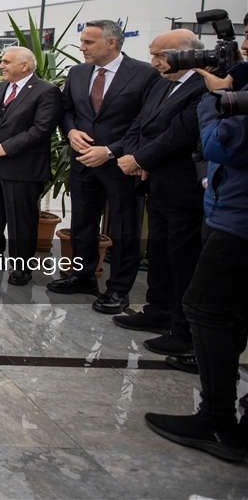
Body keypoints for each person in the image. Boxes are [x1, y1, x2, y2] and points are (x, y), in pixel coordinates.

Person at [144, 59, 248, 463]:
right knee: (233, 312)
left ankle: (217, 421)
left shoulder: (216, 95)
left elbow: (220, 144)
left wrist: (213, 98)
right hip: (228, 209)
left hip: (238, 222)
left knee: (203, 308)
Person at [48, 20, 157, 315]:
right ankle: (82, 277)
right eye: (82, 41)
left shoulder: (143, 74)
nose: (81, 47)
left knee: (124, 228)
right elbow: (66, 110)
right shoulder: (78, 72)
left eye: (88, 42)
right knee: (83, 223)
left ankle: (119, 289)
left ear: (111, 43)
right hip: (83, 163)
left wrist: (110, 151)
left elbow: (145, 121)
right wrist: (71, 132)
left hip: (122, 165)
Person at [113, 29, 207, 356]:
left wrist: (140, 159)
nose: (154, 62)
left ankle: (183, 329)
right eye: (152, 54)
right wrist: (133, 155)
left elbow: (180, 134)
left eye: (161, 55)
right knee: (160, 253)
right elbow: (140, 123)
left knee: (182, 259)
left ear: (188, 54)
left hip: (184, 190)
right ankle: (158, 311)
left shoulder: (202, 87)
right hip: (155, 184)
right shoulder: (161, 83)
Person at [0, 46, 63, 285]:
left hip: (23, 168)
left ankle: (22, 267)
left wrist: (5, 148)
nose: (1, 65)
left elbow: (41, 129)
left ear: (25, 66)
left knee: (21, 221)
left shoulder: (46, 91)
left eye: (6, 61)